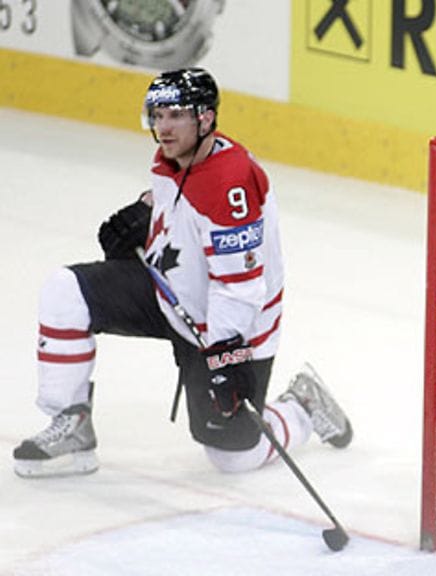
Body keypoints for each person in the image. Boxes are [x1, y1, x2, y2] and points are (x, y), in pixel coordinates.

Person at [14, 68, 353, 478]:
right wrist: (145, 214)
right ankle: (74, 426)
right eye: (157, 115)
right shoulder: (175, 158)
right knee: (64, 291)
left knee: (233, 454)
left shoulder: (232, 184)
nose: (163, 127)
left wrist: (227, 354)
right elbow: (179, 202)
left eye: (175, 115)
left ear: (205, 118)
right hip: (169, 294)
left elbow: (240, 286)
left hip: (223, 326)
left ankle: (300, 406)